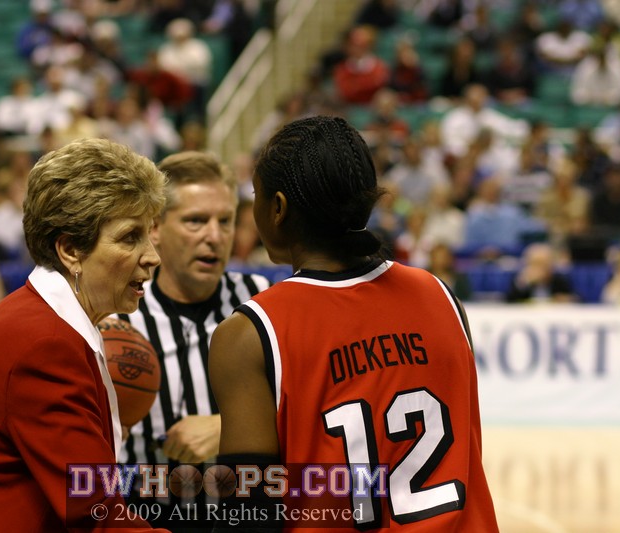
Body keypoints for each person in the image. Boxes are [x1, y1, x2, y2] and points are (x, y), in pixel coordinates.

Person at [208, 116, 499, 531]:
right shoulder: (441, 296)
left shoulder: (250, 333)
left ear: (277, 208)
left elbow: (247, 515)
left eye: (255, 195)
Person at [0, 138, 169, 532]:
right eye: (130, 237)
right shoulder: (45, 344)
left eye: (149, 235)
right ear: (71, 249)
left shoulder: (41, 320)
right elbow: (94, 512)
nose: (152, 256)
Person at [118, 151, 270, 528]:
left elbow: (311, 405)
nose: (215, 237)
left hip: (246, 516)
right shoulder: (118, 317)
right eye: (196, 221)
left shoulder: (262, 298)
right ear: (155, 228)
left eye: (226, 221)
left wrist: (224, 427)